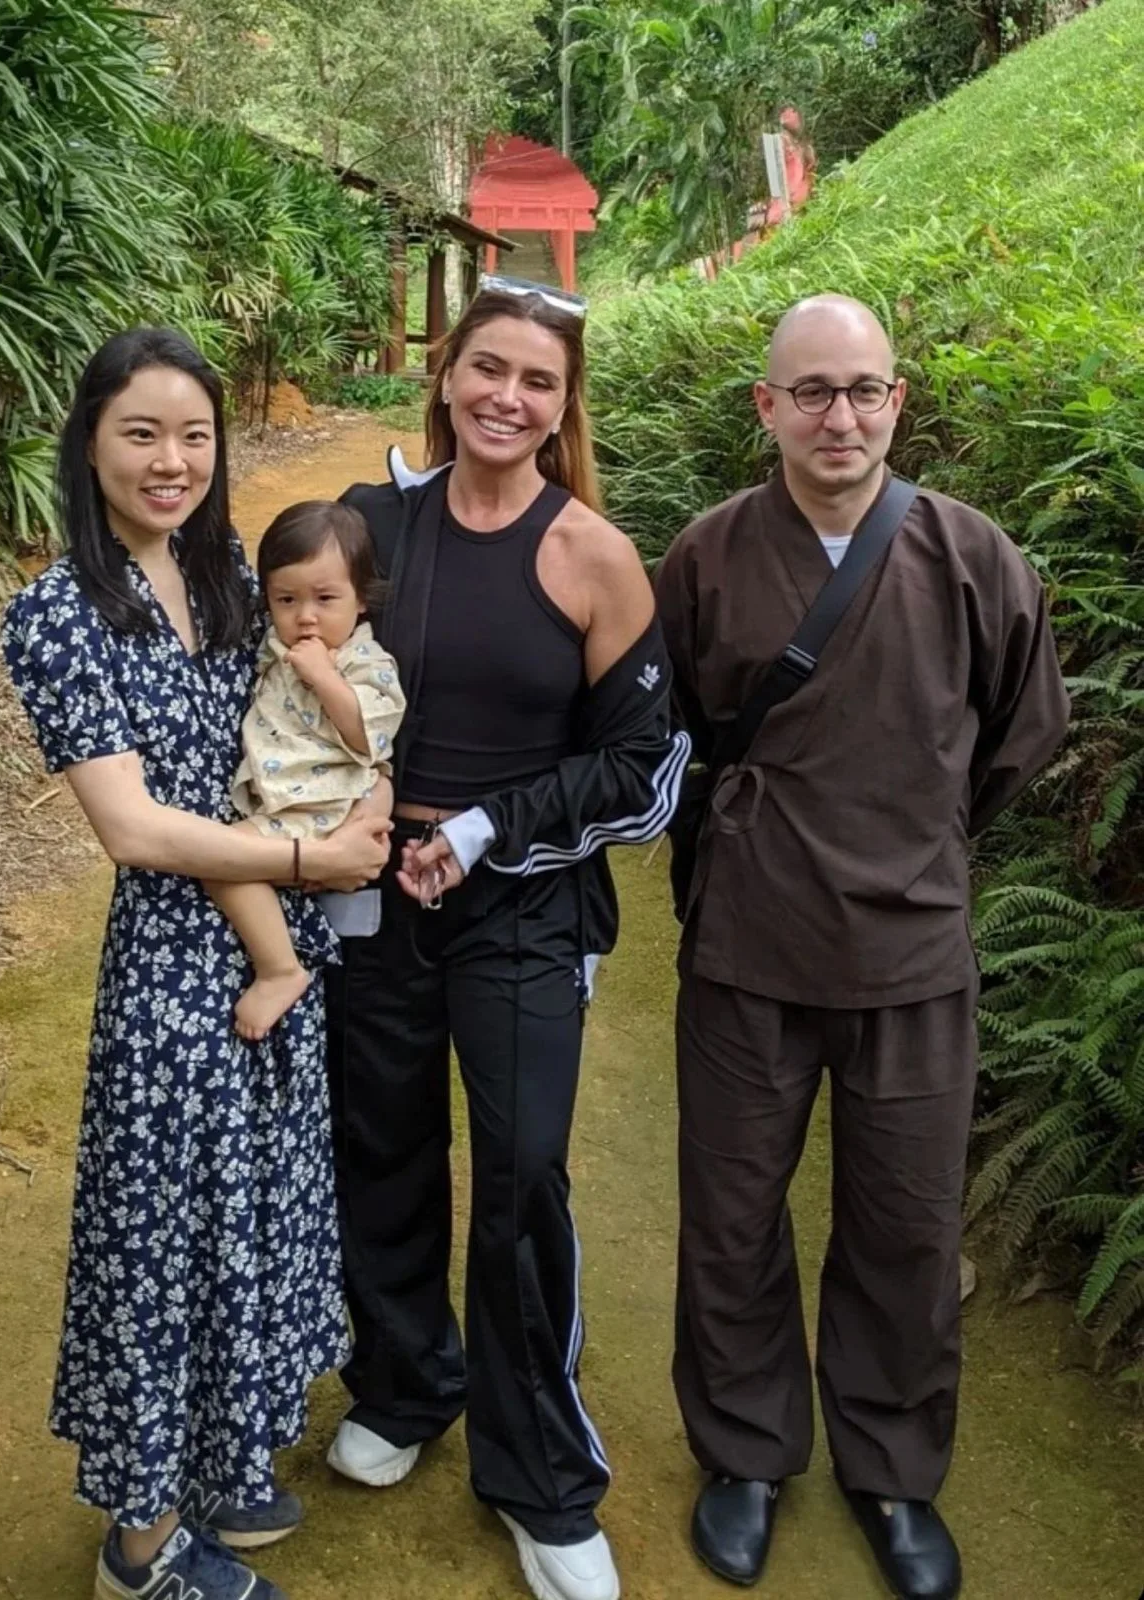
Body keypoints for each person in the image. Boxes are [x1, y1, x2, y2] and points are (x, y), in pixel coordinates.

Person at [653, 295, 1069, 1599]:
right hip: (748, 950)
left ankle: (891, 1471)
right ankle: (745, 1453)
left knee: (901, 1223)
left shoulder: (970, 555)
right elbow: (670, 742)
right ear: (765, 408)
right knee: (730, 1218)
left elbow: (1019, 735)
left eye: (863, 390)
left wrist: (923, 842)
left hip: (912, 961)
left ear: (897, 402)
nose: (840, 415)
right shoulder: (707, 558)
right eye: (812, 390)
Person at [0, 327, 392, 1600]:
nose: (171, 460)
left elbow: (296, 707)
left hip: (278, 948)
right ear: (90, 443)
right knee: (157, 1242)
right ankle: (140, 1544)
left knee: (252, 1218)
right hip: (175, 974)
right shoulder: (58, 614)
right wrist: (308, 867)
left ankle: (218, 1464)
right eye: (140, 433)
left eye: (193, 434)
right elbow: (130, 827)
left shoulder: (226, 567)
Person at [322, 277, 690, 1600]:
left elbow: (643, 771)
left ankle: (538, 1475)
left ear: (562, 404)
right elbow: (304, 678)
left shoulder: (589, 551)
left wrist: (483, 830)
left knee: (523, 1168)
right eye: (487, 368)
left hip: (522, 904)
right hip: (374, 895)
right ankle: (408, 1378)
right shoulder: (373, 527)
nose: (506, 397)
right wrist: (356, 819)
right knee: (380, 1140)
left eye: (536, 380)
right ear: (447, 375)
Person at [208, 499, 405, 1039]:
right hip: (287, 799)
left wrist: (326, 678)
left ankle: (280, 970)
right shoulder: (276, 645)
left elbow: (371, 738)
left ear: (362, 599)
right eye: (286, 599)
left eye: (325, 599)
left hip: (319, 805)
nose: (306, 616)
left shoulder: (365, 663)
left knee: (221, 861)